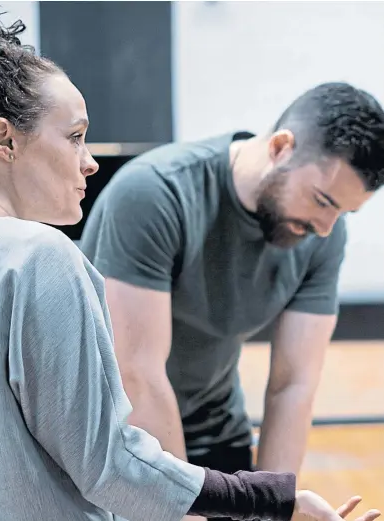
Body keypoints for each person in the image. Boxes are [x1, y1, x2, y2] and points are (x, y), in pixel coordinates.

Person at [0, 4, 380, 521]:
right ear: (4, 139)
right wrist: (273, 500)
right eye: (75, 136)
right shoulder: (42, 257)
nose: (90, 160)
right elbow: (110, 465)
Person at [80, 81, 384, 521]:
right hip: (117, 442)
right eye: (322, 201)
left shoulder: (323, 233)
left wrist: (273, 508)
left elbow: (293, 383)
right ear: (282, 147)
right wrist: (185, 511)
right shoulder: (155, 194)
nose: (325, 226)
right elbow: (138, 374)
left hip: (214, 434)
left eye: (342, 212)